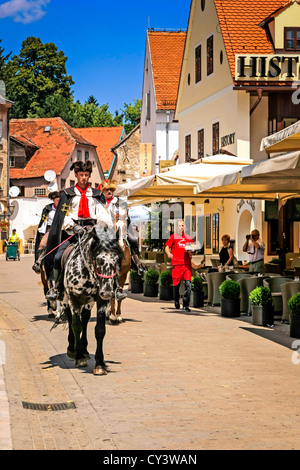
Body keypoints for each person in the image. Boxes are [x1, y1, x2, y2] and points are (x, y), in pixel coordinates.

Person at [45, 161, 123, 301]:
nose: (84, 178)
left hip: (94, 232)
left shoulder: (96, 194)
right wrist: (73, 227)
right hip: (73, 232)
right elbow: (63, 215)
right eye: (81, 175)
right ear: (76, 175)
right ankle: (57, 288)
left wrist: (98, 226)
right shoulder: (67, 194)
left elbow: (102, 213)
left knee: (111, 255)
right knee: (58, 257)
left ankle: (116, 287)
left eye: (86, 175)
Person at [99, 179, 146, 275]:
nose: (109, 192)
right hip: (103, 230)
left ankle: (137, 264)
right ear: (103, 191)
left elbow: (124, 217)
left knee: (133, 240)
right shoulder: (99, 203)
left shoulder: (120, 203)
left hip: (120, 228)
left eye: (111, 190)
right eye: (107, 189)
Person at [165, 219, 198, 312]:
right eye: (180, 225)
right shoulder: (173, 237)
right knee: (176, 286)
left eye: (183, 225)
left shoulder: (189, 238)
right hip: (177, 264)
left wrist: (193, 251)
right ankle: (176, 300)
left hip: (186, 265)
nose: (181, 227)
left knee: (188, 285)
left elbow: (192, 250)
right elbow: (167, 246)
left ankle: (185, 305)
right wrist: (168, 253)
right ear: (177, 227)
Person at [32, 190, 61, 274]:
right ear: (53, 200)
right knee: (42, 244)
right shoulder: (48, 209)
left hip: (63, 229)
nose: (59, 203)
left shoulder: (64, 208)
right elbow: (44, 222)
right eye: (57, 201)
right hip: (50, 230)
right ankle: (39, 261)